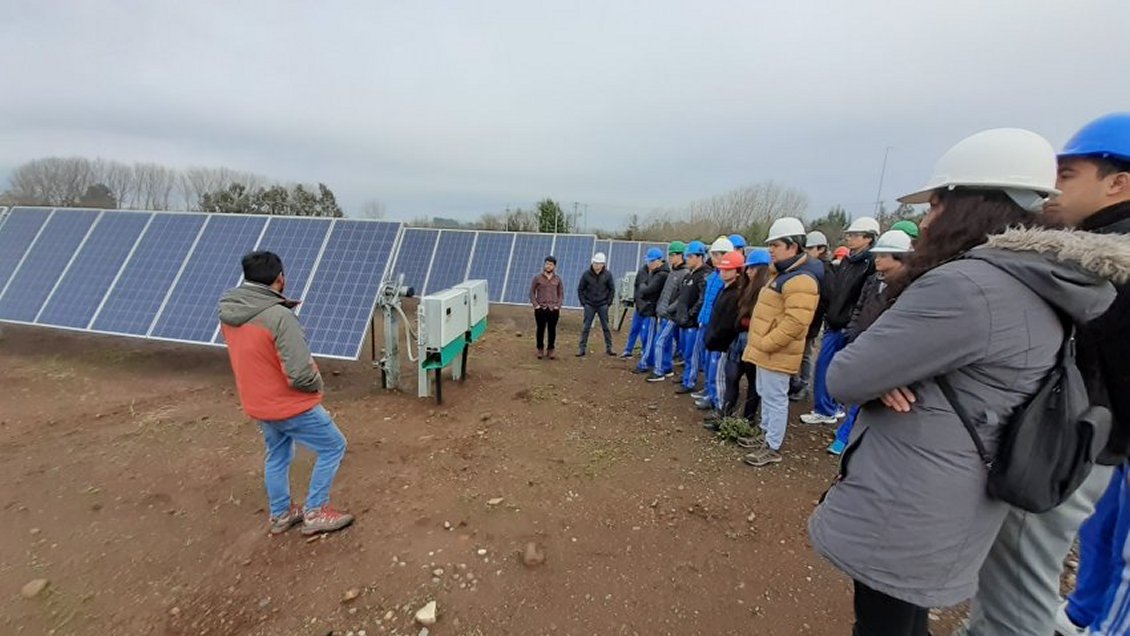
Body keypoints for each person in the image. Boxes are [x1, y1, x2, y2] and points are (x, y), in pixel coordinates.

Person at [807, 128, 1117, 635]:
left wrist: (886, 373)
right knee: (903, 620)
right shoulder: (1037, 278)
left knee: (886, 622)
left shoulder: (968, 286)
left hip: (913, 498)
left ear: (970, 207)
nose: (926, 219)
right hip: (957, 490)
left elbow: (846, 374)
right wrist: (890, 371)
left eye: (934, 205)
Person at [960, 113, 1130, 636]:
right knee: (1007, 580)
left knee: (1018, 589)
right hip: (1074, 440)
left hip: (1064, 443)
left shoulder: (1108, 264)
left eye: (1069, 174)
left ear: (1118, 182)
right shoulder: (1089, 253)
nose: (1052, 187)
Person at [218, 251, 353, 536]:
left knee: (277, 455)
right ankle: (315, 511)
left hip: (258, 402)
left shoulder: (230, 314)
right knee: (333, 446)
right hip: (290, 405)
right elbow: (300, 373)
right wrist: (317, 384)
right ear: (280, 279)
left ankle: (280, 514)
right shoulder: (279, 317)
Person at [741, 218, 821, 466]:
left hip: (777, 352)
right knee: (766, 393)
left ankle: (773, 446)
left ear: (793, 246)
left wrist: (766, 342)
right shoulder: (783, 274)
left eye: (775, 244)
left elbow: (796, 323)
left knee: (775, 398)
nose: (771, 250)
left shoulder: (801, 280)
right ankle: (765, 435)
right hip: (769, 351)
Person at [825, 229, 913, 456]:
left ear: (900, 258)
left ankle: (846, 438)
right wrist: (854, 333)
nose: (878, 259)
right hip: (861, 342)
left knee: (866, 399)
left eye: (883, 255)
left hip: (884, 352)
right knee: (856, 396)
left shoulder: (910, 287)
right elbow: (859, 309)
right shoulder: (874, 281)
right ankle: (847, 433)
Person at [800, 217, 878, 425]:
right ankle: (830, 407)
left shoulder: (869, 264)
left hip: (845, 326)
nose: (850, 239)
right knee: (827, 366)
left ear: (868, 238)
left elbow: (864, 299)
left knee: (827, 367)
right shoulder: (848, 261)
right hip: (835, 321)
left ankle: (827, 409)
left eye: (855, 235)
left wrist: (851, 324)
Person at [707, 248, 771, 431]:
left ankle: (748, 419)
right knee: (732, 377)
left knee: (752, 382)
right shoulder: (744, 288)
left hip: (753, 340)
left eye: (751, 268)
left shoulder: (764, 291)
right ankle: (726, 415)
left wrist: (744, 322)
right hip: (738, 341)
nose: (748, 271)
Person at [700, 250, 745, 412]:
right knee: (713, 375)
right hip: (716, 341)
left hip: (723, 345)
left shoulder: (735, 294)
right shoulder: (724, 290)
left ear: (738, 271)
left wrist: (716, 339)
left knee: (720, 378)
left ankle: (721, 410)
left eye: (728, 269)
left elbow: (728, 324)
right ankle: (714, 401)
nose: (723, 272)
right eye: (722, 269)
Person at [692, 237, 734, 408]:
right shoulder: (713, 276)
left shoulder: (727, 279)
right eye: (713, 255)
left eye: (717, 255)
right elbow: (706, 301)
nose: (714, 258)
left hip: (717, 326)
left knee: (717, 364)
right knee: (708, 361)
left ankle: (717, 398)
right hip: (706, 322)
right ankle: (709, 391)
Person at [791, 230, 831, 401]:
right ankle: (795, 383)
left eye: (810, 248)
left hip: (812, 319)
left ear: (821, 249)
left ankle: (805, 385)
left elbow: (824, 299)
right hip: (801, 316)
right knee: (795, 352)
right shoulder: (805, 267)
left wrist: (813, 319)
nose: (806, 252)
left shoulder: (826, 271)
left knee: (806, 354)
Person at [648, 241, 688, 383]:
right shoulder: (674, 272)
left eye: (673, 254)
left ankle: (658, 372)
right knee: (665, 343)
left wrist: (668, 310)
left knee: (659, 342)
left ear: (680, 255)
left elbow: (681, 298)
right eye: (670, 254)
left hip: (670, 315)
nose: (670, 257)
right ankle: (667, 368)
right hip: (664, 313)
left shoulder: (684, 273)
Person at [674, 240, 710, 394]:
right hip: (683, 322)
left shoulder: (703, 276)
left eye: (689, 256)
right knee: (686, 353)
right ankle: (686, 376)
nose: (686, 259)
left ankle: (689, 381)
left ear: (699, 257)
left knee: (692, 354)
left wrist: (690, 315)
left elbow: (701, 300)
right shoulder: (690, 275)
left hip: (692, 323)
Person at [631, 248, 670, 374]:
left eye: (652, 261)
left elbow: (647, 289)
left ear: (659, 260)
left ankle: (645, 363)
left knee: (649, 337)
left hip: (652, 311)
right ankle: (649, 360)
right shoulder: (655, 273)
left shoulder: (661, 275)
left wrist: (643, 287)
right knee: (647, 337)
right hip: (649, 309)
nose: (649, 264)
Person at [576, 252, 616, 357]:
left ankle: (609, 348)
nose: (596, 265)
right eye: (595, 263)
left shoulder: (607, 275)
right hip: (589, 304)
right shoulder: (586, 274)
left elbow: (612, 289)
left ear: (603, 264)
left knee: (606, 327)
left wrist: (608, 302)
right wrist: (584, 302)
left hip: (603, 304)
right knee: (586, 327)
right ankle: (582, 348)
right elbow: (580, 289)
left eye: (599, 263)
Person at [529, 255, 564, 360]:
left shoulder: (558, 279)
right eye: (547, 264)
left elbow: (561, 293)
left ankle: (551, 349)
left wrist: (558, 306)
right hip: (541, 308)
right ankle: (540, 349)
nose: (548, 266)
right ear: (544, 265)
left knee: (552, 330)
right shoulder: (537, 278)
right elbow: (531, 292)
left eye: (551, 264)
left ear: (554, 266)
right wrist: (536, 306)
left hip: (553, 309)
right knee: (540, 329)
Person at [619, 256, 652, 358]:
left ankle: (645, 351)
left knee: (645, 332)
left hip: (649, 309)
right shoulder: (642, 272)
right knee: (634, 329)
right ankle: (628, 350)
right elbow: (636, 289)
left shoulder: (659, 275)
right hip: (639, 307)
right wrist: (638, 303)